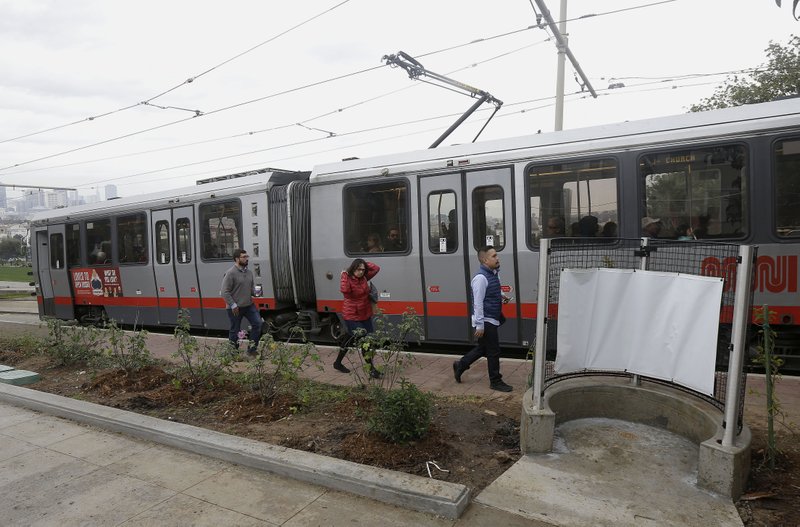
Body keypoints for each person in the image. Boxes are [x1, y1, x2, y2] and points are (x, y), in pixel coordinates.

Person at [452, 246, 513, 392]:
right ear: (485, 260)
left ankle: (460, 365)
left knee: (483, 348)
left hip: (491, 317)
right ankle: (495, 381)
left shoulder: (493, 273)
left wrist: (502, 295)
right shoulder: (480, 279)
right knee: (493, 351)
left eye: (496, 255)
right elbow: (477, 303)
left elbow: (495, 289)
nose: (497, 258)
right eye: (494, 256)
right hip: (485, 320)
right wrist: (480, 325)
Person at [334, 258, 382, 377]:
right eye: (358, 269)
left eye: (363, 269)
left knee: (348, 339)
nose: (361, 271)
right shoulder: (348, 278)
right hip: (352, 315)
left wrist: (363, 262)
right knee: (364, 340)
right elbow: (344, 290)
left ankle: (337, 363)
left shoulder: (364, 278)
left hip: (364, 313)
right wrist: (345, 275)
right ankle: (371, 370)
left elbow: (376, 268)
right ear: (353, 268)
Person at [221, 248, 262, 357]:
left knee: (258, 324)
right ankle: (233, 352)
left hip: (249, 305)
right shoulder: (230, 273)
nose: (246, 259)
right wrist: (233, 305)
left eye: (247, 256)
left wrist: (256, 292)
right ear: (236, 259)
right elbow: (224, 292)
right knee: (235, 330)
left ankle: (252, 350)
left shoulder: (249, 272)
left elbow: (251, 289)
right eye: (244, 257)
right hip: (235, 307)